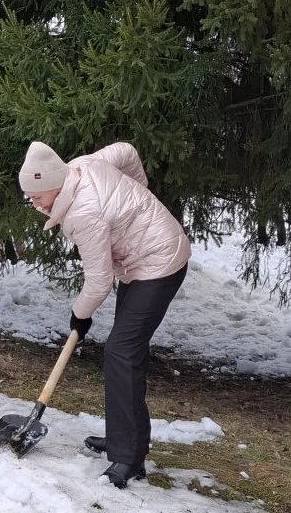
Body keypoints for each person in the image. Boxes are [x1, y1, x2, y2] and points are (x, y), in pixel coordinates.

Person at [19, 141, 190, 488]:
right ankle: (125, 441)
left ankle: (128, 458)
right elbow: (127, 150)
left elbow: (98, 282)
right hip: (140, 259)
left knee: (121, 352)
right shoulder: (81, 165)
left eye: (36, 196)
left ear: (54, 185)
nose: (33, 203)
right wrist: (137, 195)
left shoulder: (85, 213)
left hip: (159, 263)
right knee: (126, 353)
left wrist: (78, 316)